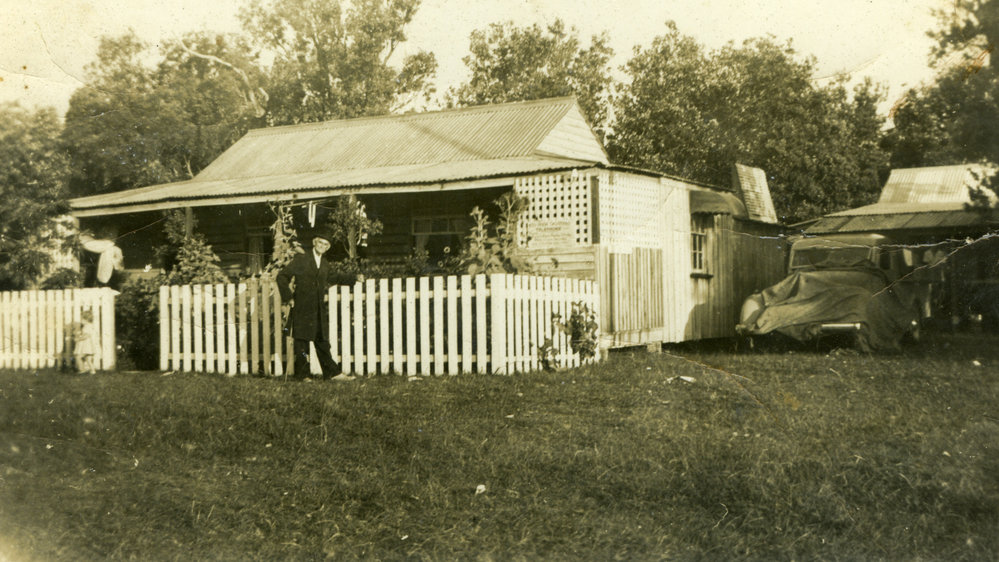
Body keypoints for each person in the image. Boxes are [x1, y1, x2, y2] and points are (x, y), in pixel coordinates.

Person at [276, 231, 356, 381]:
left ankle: (333, 373)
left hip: (318, 309)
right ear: (314, 242)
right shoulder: (302, 259)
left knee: (322, 341)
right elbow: (282, 276)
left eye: (326, 245)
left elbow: (333, 277)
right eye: (320, 243)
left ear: (328, 248)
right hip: (302, 307)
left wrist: (353, 278)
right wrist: (288, 298)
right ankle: (303, 375)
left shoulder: (324, 263)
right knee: (302, 343)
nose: (322, 246)